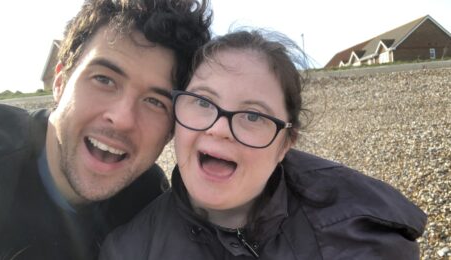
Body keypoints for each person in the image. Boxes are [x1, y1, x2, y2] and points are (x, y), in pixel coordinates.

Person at [100, 29, 427, 259]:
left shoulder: (358, 238)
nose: (218, 128)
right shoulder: (130, 249)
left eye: (253, 116)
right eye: (202, 102)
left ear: (286, 143)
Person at [0, 0, 211, 259]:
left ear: (170, 132)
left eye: (155, 102)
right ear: (61, 81)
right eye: (104, 79)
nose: (122, 119)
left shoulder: (149, 204)